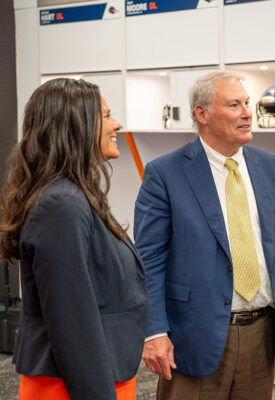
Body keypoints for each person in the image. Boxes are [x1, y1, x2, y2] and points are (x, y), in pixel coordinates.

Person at [134, 71, 275, 399]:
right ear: (202, 114)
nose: (246, 113)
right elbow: (148, 262)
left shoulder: (273, 168)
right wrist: (154, 331)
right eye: (234, 105)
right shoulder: (164, 174)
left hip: (259, 331)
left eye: (247, 103)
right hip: (193, 335)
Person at [0, 78, 148, 400]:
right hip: (74, 385)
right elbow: (73, 325)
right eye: (107, 116)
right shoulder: (60, 205)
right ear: (76, 126)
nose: (117, 124)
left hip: (101, 374)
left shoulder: (75, 195)